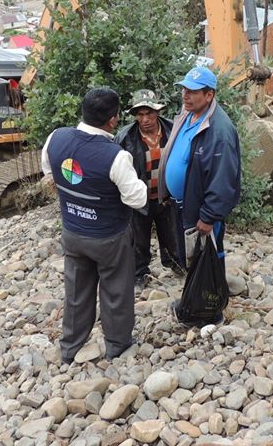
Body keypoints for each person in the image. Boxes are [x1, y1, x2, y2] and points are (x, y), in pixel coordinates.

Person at [41, 87, 147, 363]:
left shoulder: (56, 138)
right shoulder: (115, 156)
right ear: (113, 120)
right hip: (109, 236)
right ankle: (117, 344)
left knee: (76, 290)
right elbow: (136, 199)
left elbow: (49, 174)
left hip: (73, 231)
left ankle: (70, 347)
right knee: (116, 290)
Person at [159, 65, 241, 326]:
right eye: (184, 89)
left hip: (201, 210)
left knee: (209, 258)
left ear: (209, 95)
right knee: (193, 257)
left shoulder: (220, 131)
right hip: (184, 204)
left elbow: (224, 179)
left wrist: (209, 215)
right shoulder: (188, 115)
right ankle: (194, 300)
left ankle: (210, 310)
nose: (186, 95)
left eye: (193, 91)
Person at [114, 89, 180, 285]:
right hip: (139, 199)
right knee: (138, 239)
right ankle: (140, 273)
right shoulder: (125, 137)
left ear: (157, 112)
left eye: (149, 113)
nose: (145, 119)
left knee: (172, 234)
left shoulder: (173, 129)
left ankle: (176, 264)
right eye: (140, 114)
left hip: (166, 196)